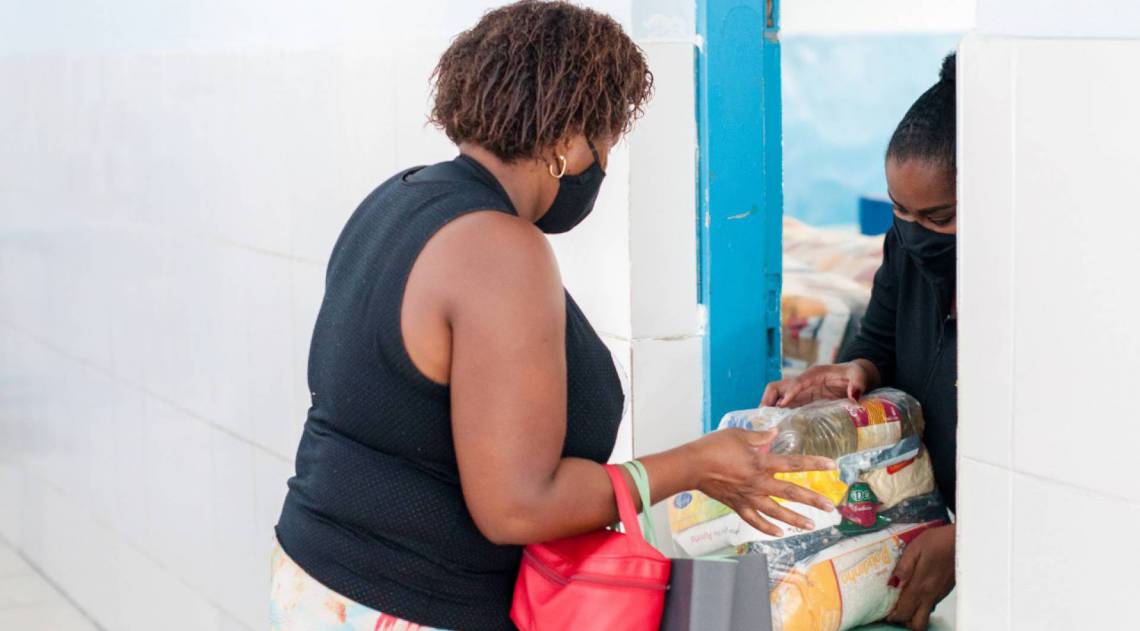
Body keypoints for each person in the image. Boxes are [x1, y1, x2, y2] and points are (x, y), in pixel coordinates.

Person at [272, 2, 836, 630]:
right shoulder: (501, 248)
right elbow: (517, 507)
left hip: (316, 574)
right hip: (406, 602)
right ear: (567, 142)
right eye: (605, 142)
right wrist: (697, 464)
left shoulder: (401, 198)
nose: (602, 162)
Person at [762, 52, 959, 631]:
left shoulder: (1033, 289)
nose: (917, 231)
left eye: (941, 218)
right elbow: (880, 341)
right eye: (901, 211)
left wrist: (972, 536)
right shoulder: (906, 248)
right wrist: (856, 371)